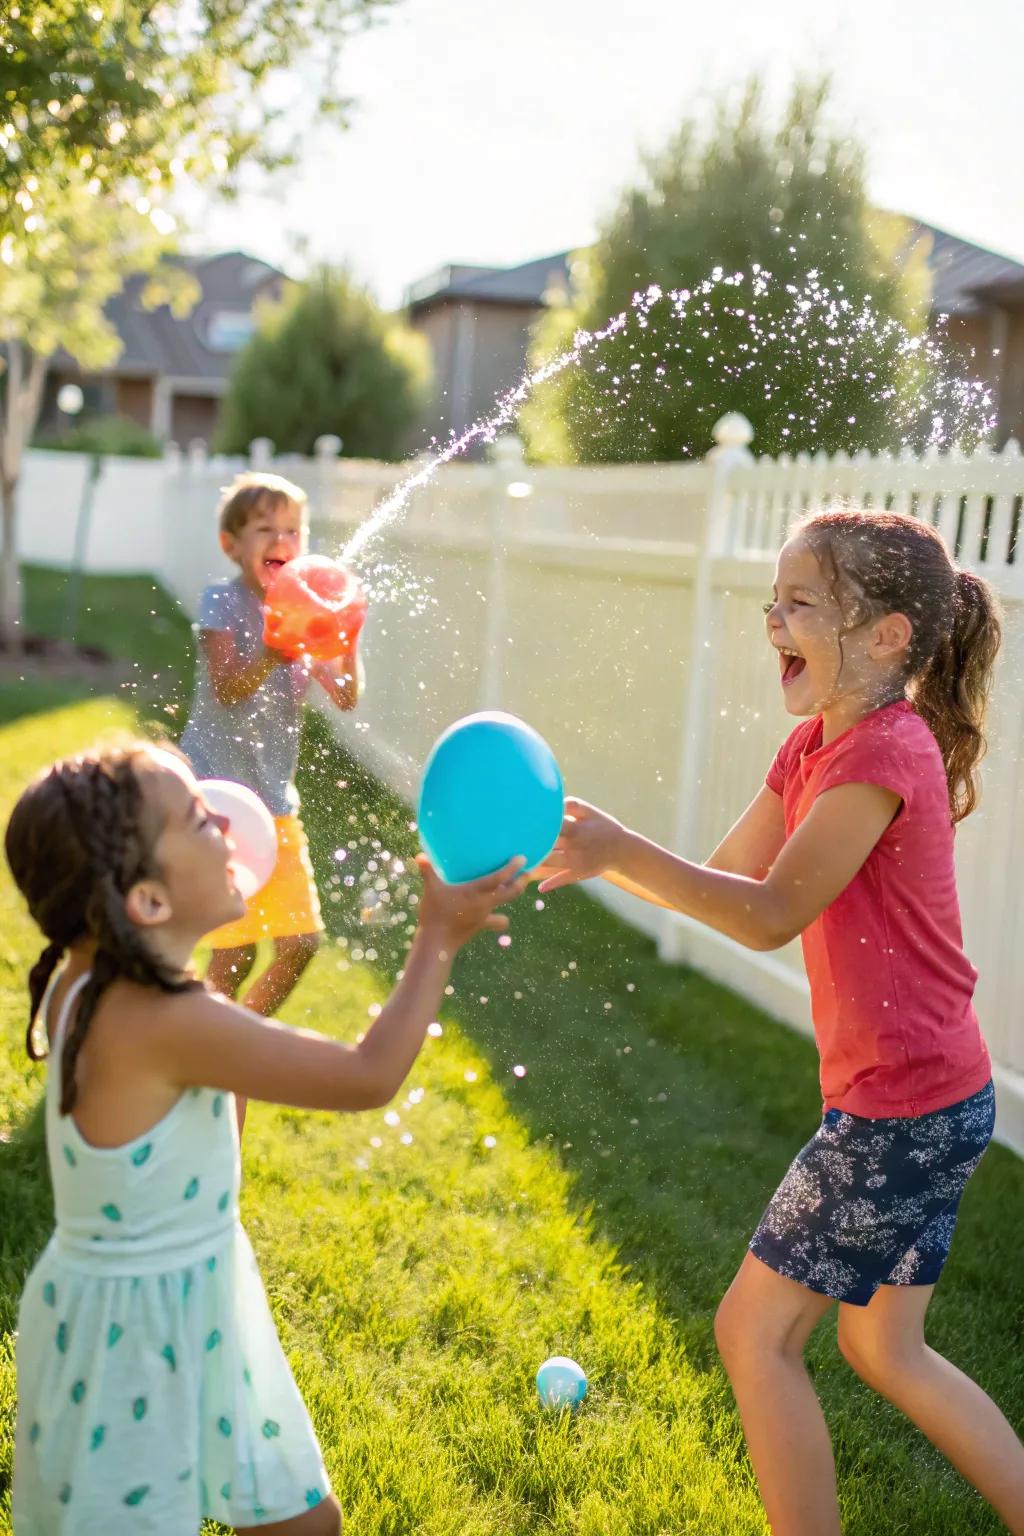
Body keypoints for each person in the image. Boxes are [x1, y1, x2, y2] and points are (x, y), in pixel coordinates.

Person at [536, 508, 1024, 1536]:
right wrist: (582, 846)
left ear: (886, 635)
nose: (772, 618)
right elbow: (726, 880)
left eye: (800, 601)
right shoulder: (813, 746)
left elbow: (766, 916)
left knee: (753, 1336)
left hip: (901, 1110)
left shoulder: (880, 758)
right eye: (775, 598)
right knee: (884, 1350)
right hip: (936, 1095)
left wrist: (623, 850)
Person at [5, 739, 528, 1535]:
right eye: (197, 817)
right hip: (135, 1336)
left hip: (197, 1291)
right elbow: (366, 1076)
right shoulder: (163, 1021)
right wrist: (438, 939)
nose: (228, 815)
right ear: (145, 901)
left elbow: (202, 1123)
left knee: (302, 1522)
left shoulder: (97, 976)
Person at [180, 472, 359, 1044]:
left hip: (275, 806)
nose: (281, 540)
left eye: (291, 529)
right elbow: (230, 685)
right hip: (218, 804)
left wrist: (348, 641)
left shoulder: (310, 609)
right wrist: (275, 646)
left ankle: (232, 1041)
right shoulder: (222, 601)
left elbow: (347, 695)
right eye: (264, 529)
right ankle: (195, 1042)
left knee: (301, 944)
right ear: (231, 544)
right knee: (232, 953)